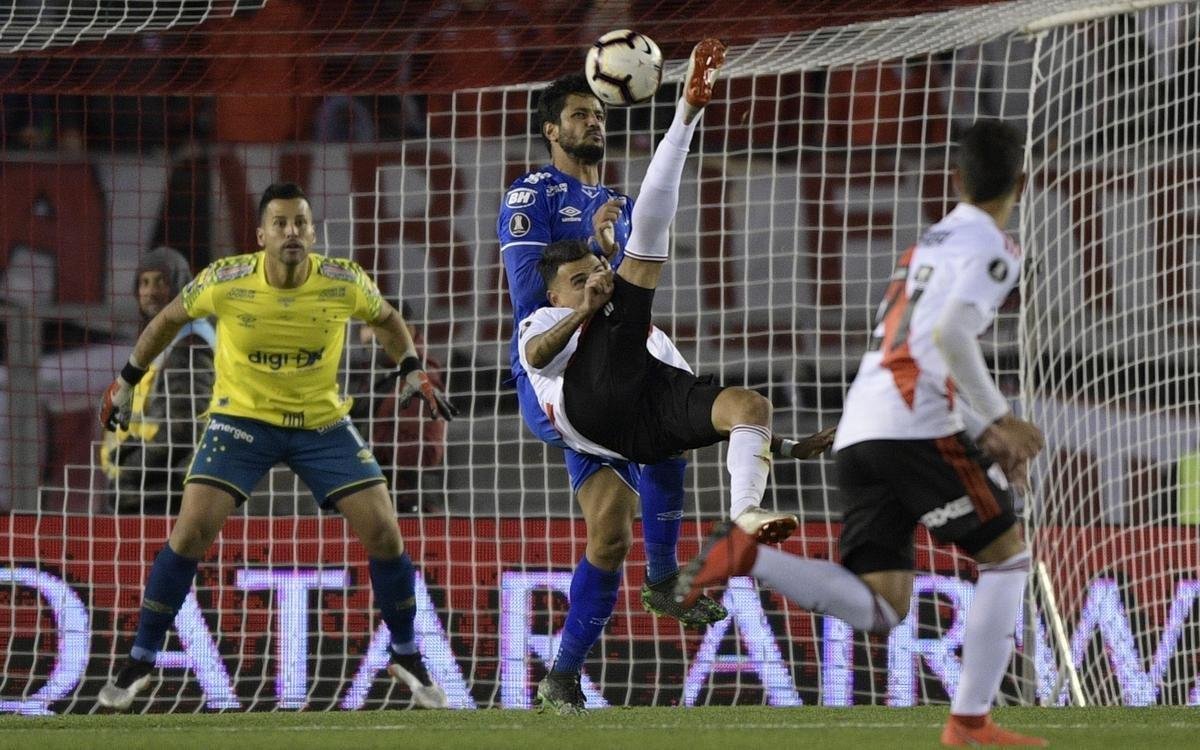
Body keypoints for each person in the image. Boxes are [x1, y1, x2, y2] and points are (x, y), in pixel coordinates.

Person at [674, 120, 1048, 747]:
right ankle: (969, 722)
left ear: (954, 179)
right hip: (912, 426)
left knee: (883, 605)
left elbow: (920, 339)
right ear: (1024, 181)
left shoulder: (926, 244)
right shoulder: (994, 248)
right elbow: (950, 336)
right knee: (1008, 560)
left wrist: (978, 424)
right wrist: (998, 421)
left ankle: (750, 556)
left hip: (861, 427)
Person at [514, 41, 834, 715]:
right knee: (640, 293)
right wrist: (590, 277)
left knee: (614, 524)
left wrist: (773, 437)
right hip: (568, 383)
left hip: (625, 381)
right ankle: (662, 574)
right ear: (551, 129)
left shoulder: (616, 215)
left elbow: (687, 392)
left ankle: (567, 671)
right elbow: (537, 316)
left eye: (596, 112)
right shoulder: (535, 204)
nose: (593, 123)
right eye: (579, 114)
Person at [96, 182, 457, 711]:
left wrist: (411, 367)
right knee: (190, 531)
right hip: (242, 420)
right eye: (281, 223)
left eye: (301, 223)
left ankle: (406, 653)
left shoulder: (342, 280)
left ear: (312, 232)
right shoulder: (226, 279)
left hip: (320, 423)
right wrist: (127, 381)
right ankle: (140, 659)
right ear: (261, 234)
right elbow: (168, 318)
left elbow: (385, 319)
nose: (292, 232)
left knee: (384, 530)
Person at [100, 247, 215, 514]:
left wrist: (130, 472)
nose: (150, 291)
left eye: (161, 281)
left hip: (163, 494)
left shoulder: (189, 345)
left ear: (180, 285)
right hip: (151, 487)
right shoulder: (162, 341)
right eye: (144, 282)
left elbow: (182, 431)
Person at [348, 300, 448, 513]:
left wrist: (364, 446)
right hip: (380, 502)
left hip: (408, 508)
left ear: (408, 330)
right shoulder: (381, 373)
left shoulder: (418, 379)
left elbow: (428, 453)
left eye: (378, 330)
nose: (369, 336)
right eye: (366, 327)